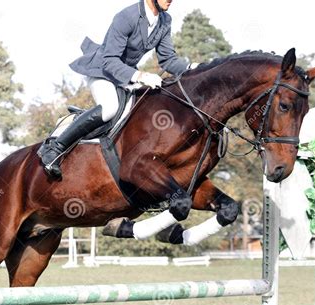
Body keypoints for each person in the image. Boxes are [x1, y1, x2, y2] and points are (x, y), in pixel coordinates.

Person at [39, 0, 197, 179]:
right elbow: (110, 61)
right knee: (109, 108)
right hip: (102, 70)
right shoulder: (127, 16)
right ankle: (55, 148)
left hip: (124, 76)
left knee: (147, 106)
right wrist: (140, 76)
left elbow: (168, 60)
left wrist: (193, 67)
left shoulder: (164, 20)